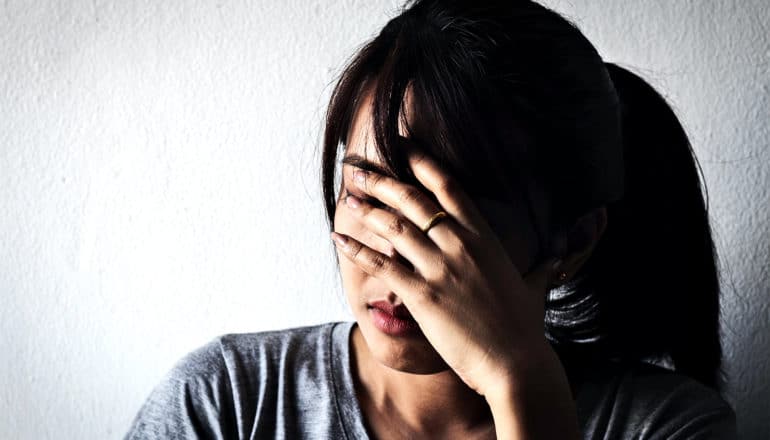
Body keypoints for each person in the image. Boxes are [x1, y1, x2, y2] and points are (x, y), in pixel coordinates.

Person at [125, 0, 737, 438]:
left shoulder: (669, 426)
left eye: (447, 216)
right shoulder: (227, 402)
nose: (394, 261)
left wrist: (519, 384)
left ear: (572, 240)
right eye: (369, 191)